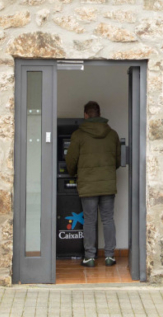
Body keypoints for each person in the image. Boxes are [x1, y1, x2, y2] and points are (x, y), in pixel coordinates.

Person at [65, 100, 121, 267]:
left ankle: (89, 257)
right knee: (108, 219)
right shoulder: (112, 134)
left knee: (89, 221)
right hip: (107, 184)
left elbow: (71, 159)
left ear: (86, 115)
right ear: (99, 113)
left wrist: (72, 172)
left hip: (88, 184)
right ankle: (110, 256)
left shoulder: (78, 135)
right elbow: (117, 160)